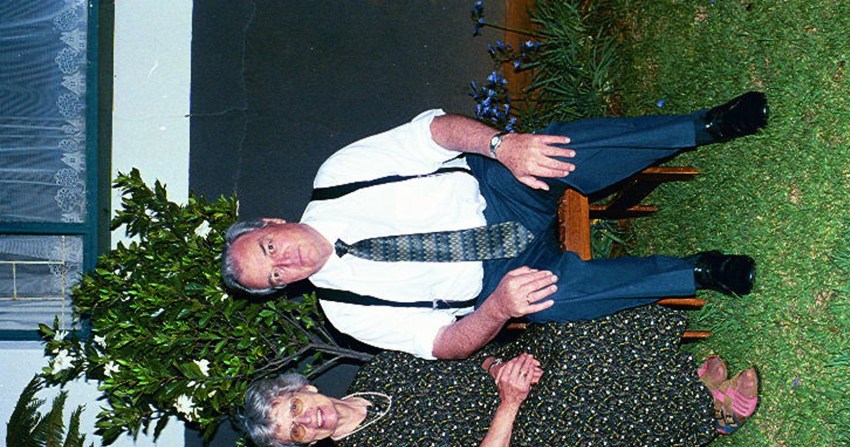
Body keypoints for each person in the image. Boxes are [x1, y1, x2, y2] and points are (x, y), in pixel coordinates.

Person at [222, 92, 768, 360]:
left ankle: (705, 126)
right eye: (275, 276)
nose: (285, 262)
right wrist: (499, 309)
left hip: (494, 192)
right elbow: (442, 343)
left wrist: (502, 146)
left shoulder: (338, 177)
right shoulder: (347, 312)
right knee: (552, 301)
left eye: (269, 248)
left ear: (272, 222)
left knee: (552, 151)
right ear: (283, 288)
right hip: (495, 278)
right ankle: (699, 272)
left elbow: (433, 133)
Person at [238, 304, 759, 447]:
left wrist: (498, 368)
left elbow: (462, 352)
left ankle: (680, 377)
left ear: (303, 387)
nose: (308, 419)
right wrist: (510, 403)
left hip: (511, 382)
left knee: (566, 331)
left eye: (295, 407)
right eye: (295, 431)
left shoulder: (382, 371)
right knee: (579, 394)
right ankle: (711, 413)